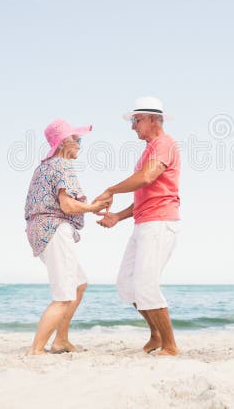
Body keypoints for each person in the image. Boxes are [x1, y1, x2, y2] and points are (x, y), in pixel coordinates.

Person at [94, 97, 181, 356]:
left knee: (146, 284)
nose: (132, 126)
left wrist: (111, 189)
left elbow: (146, 177)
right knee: (126, 284)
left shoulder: (165, 144)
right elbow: (144, 195)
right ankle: (155, 334)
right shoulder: (150, 148)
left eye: (136, 119)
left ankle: (170, 346)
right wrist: (117, 217)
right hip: (145, 223)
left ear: (153, 119)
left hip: (160, 223)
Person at [24, 119, 111, 355]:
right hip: (54, 230)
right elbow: (67, 205)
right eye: (77, 140)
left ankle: (60, 340)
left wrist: (91, 206)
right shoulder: (62, 165)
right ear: (64, 142)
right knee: (64, 295)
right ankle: (37, 349)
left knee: (79, 284)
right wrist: (93, 208)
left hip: (40, 231)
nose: (80, 145)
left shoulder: (44, 166)